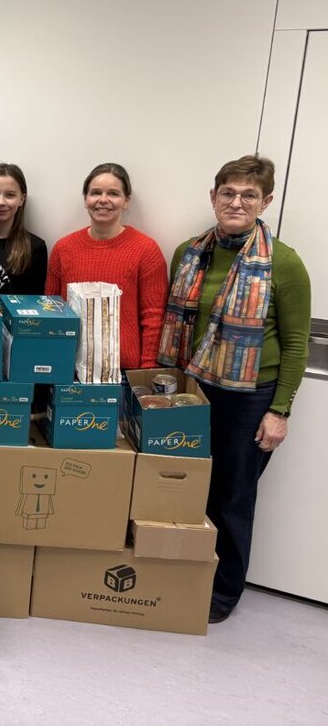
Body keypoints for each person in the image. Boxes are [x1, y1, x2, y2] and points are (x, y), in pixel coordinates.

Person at [157, 155, 310, 624]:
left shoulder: (282, 263)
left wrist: (279, 410)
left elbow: (297, 343)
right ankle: (181, 573)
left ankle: (224, 593)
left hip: (249, 398)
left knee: (232, 496)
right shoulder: (190, 250)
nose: (237, 202)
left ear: (266, 201)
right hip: (192, 388)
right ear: (213, 196)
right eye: (228, 192)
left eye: (249, 195)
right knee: (184, 490)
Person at [46, 163, 168, 370]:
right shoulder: (63, 249)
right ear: (85, 200)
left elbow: (153, 317)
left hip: (125, 374)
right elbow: (51, 310)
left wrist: (147, 372)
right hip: (69, 371)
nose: (103, 200)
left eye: (113, 193)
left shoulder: (146, 250)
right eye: (95, 193)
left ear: (126, 201)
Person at [0, 163, 48, 294]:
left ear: (21, 199)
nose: (1, 202)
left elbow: (35, 304)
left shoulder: (35, 247)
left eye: (10, 195)